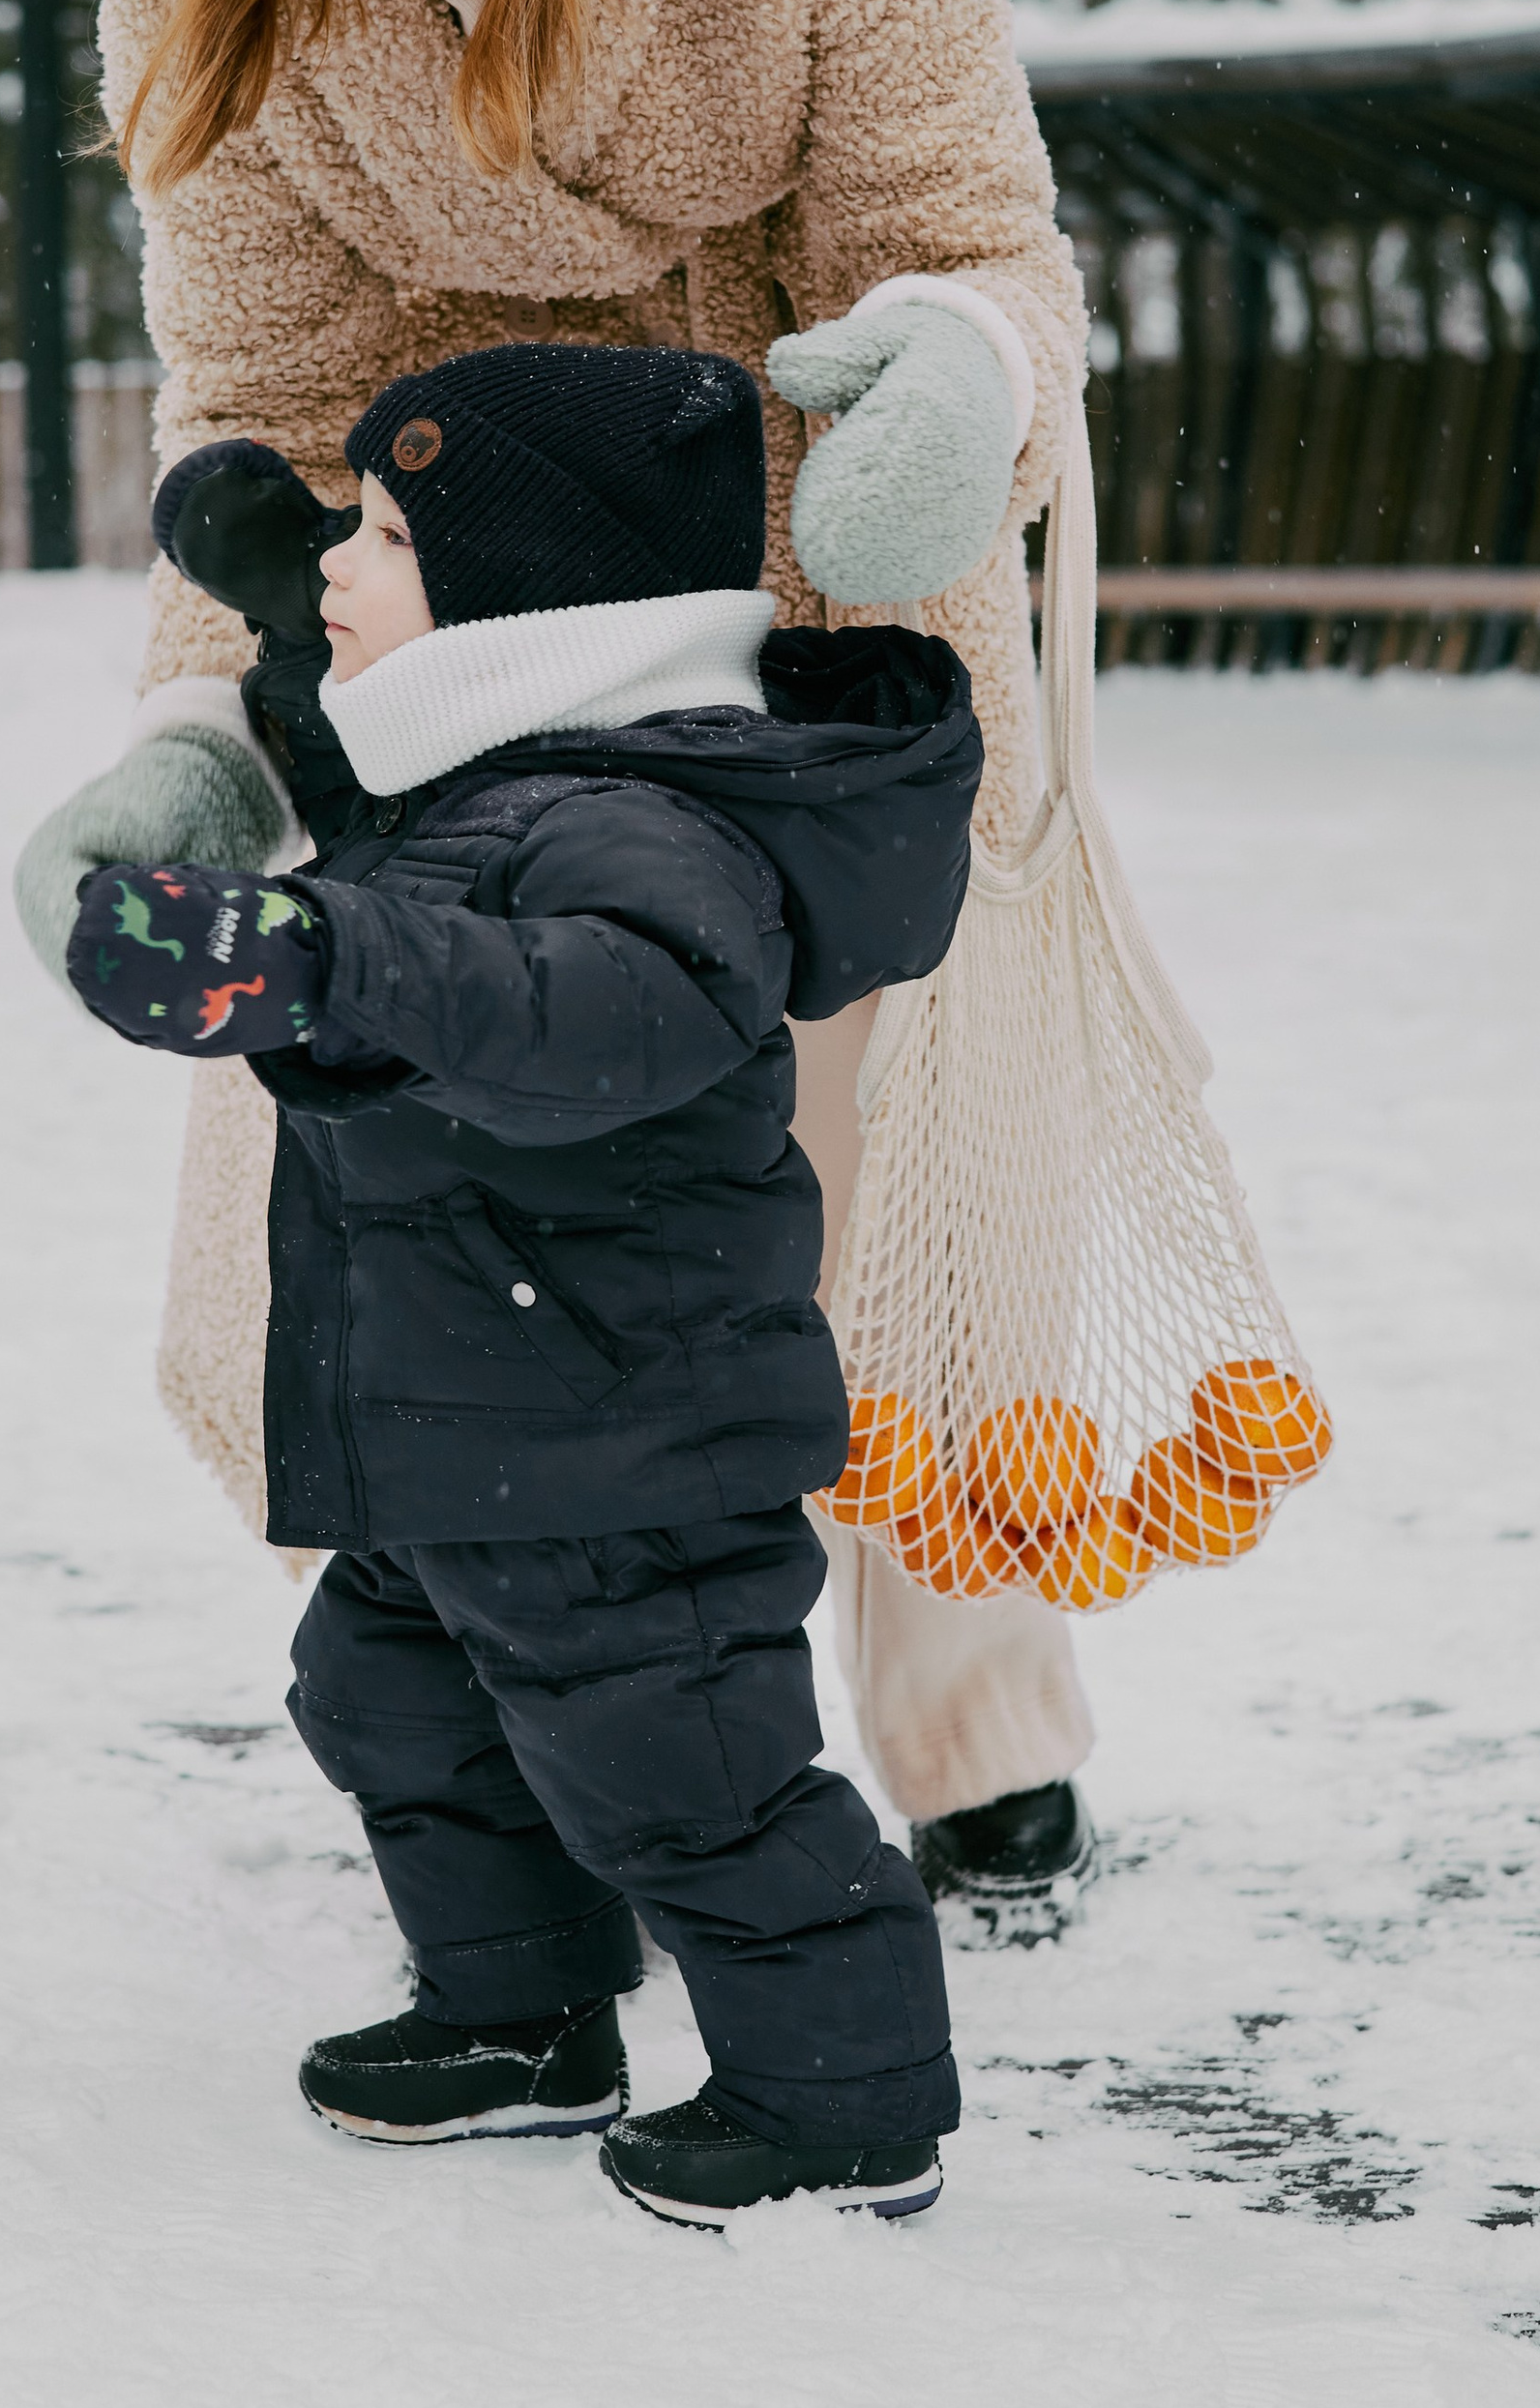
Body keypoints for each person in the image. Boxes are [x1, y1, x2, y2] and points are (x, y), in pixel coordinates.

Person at [15, 0, 1096, 1926]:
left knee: (873, 1144)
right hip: (460, 610)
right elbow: (261, 423)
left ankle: (969, 1713)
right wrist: (207, 737)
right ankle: (522, 1694)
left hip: (839, 520)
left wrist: (952, 381)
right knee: (405, 1126)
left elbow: (961, 232)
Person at [64, 340, 976, 2223]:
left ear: (528, 600)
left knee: (684, 1772)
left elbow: (592, 1017)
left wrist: (318, 963)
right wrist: (274, 597)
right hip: (460, 1424)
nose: (338, 561)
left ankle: (841, 2101)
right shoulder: (491, 779)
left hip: (614, 1435)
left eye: (382, 534)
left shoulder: (643, 824)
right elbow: (382, 799)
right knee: (390, 1708)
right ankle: (518, 2012)